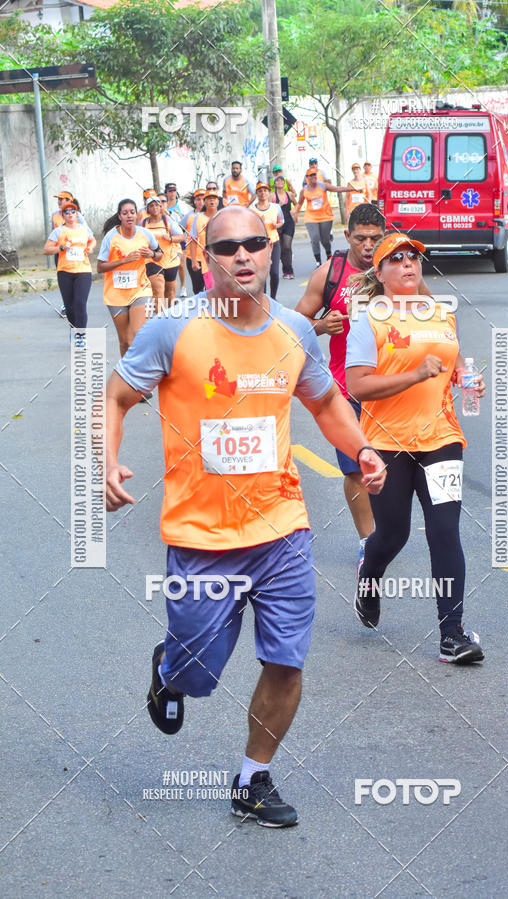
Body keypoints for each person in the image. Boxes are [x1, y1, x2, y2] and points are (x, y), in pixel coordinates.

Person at [105, 204, 386, 828]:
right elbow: (118, 395)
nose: (243, 255)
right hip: (201, 535)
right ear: (206, 259)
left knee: (285, 660)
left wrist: (360, 447)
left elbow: (327, 401)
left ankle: (253, 778)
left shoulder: (293, 330)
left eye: (255, 243)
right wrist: (107, 459)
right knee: (198, 673)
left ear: (270, 250)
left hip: (282, 528)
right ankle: (170, 669)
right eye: (227, 246)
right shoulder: (172, 330)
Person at [345, 231, 486, 664]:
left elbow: (454, 360)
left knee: (445, 532)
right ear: (381, 273)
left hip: (441, 439)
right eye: (397, 259)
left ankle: (453, 634)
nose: (408, 264)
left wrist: (466, 377)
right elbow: (358, 386)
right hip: (386, 444)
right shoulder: (368, 318)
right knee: (393, 534)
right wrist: (415, 375)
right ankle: (369, 575)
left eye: (413, 258)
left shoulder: (442, 314)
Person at [296, 204, 431, 566]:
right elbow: (294, 324)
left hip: (393, 388)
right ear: (347, 236)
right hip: (346, 389)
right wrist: (321, 326)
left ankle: (389, 532)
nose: (369, 246)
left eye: (375, 238)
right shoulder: (330, 274)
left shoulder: (399, 268)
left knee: (395, 467)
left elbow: (434, 317)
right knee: (356, 468)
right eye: (361, 239)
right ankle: (367, 541)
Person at [97, 198, 161, 363]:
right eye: (125, 213)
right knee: (125, 341)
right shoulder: (110, 238)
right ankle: (129, 378)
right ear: (119, 216)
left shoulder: (145, 234)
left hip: (140, 289)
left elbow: (159, 254)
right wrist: (124, 260)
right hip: (116, 294)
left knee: (137, 336)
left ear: (137, 214)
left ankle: (141, 379)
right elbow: (100, 267)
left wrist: (152, 255)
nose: (129, 216)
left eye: (132, 212)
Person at [43, 202, 96, 330]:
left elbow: (92, 240)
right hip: (65, 272)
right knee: (70, 306)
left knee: (80, 303)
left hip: (83, 271)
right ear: (63, 216)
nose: (70, 214)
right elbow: (46, 250)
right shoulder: (59, 231)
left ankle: (81, 335)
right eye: (66, 212)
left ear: (77, 214)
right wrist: (61, 247)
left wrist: (90, 248)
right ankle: (74, 331)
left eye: (73, 211)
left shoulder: (84, 229)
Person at [293, 168, 351, 266]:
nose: (313, 177)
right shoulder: (304, 190)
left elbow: (337, 189)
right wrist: (295, 212)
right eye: (311, 175)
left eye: (315, 175)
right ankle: (318, 262)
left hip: (325, 217)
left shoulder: (323, 186)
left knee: (325, 240)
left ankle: (329, 255)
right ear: (307, 178)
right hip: (311, 218)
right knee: (315, 238)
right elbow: (299, 203)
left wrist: (352, 189)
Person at [141, 196, 186, 307]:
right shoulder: (143, 224)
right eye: (151, 205)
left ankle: (169, 317)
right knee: (158, 290)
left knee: (170, 293)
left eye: (157, 205)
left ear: (160, 207)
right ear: (147, 209)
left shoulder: (167, 220)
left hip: (169, 260)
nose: (154, 207)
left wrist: (170, 238)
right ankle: (160, 319)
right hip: (152, 260)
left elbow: (182, 236)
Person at [251, 181, 284, 298]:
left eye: (265, 191)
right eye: (260, 191)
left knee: (274, 272)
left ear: (269, 193)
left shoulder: (275, 207)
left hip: (274, 242)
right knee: (262, 273)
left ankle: (273, 297)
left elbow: (281, 221)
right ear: (257, 194)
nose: (263, 193)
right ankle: (263, 298)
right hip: (259, 245)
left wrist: (276, 225)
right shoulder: (252, 210)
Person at [189, 187, 220, 291]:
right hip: (206, 263)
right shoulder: (198, 218)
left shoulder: (223, 216)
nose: (212, 200)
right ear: (205, 202)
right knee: (211, 292)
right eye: (209, 198)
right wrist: (193, 261)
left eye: (214, 198)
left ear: (218, 201)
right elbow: (193, 239)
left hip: (223, 261)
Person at [180, 190, 206, 294]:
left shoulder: (211, 214)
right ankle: (200, 309)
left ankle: (211, 310)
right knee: (198, 290)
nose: (201, 201)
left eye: (203, 199)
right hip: (193, 258)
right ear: (194, 201)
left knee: (211, 289)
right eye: (198, 199)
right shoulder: (189, 216)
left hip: (208, 258)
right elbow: (179, 232)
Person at [164, 182, 188, 297]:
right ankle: (167, 287)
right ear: (166, 193)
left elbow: (187, 219)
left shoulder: (181, 205)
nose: (172, 193)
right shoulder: (163, 205)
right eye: (170, 191)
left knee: (181, 264)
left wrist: (177, 215)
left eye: (174, 191)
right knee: (168, 263)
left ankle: (183, 287)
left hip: (180, 236)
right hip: (167, 237)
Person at [272, 174, 296, 279]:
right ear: (275, 183)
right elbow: (269, 208)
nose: (280, 182)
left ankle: (289, 270)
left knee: (287, 246)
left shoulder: (289, 194)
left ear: (284, 183)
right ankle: (285, 271)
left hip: (289, 222)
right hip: (278, 223)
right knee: (281, 248)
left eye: (282, 180)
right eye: (278, 181)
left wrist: (294, 213)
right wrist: (278, 206)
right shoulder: (272, 196)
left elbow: (297, 204)